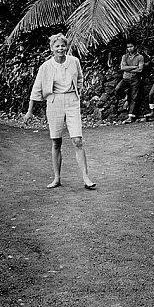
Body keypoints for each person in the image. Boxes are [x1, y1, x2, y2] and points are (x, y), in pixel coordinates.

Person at [24, 33, 96, 190]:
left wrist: (77, 95)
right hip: (54, 102)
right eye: (57, 46)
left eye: (63, 45)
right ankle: (56, 178)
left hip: (72, 101)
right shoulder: (45, 67)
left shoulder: (74, 61)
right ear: (52, 49)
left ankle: (85, 177)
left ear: (66, 47)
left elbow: (80, 79)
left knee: (77, 140)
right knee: (56, 141)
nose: (60, 48)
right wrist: (29, 111)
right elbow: (36, 89)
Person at [115, 42, 144, 124]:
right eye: (128, 47)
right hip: (125, 78)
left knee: (134, 97)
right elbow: (122, 67)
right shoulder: (125, 56)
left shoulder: (140, 57)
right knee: (118, 89)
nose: (130, 48)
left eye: (131, 46)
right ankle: (125, 97)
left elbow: (140, 69)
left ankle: (131, 116)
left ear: (135, 47)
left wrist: (128, 69)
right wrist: (134, 67)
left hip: (135, 79)